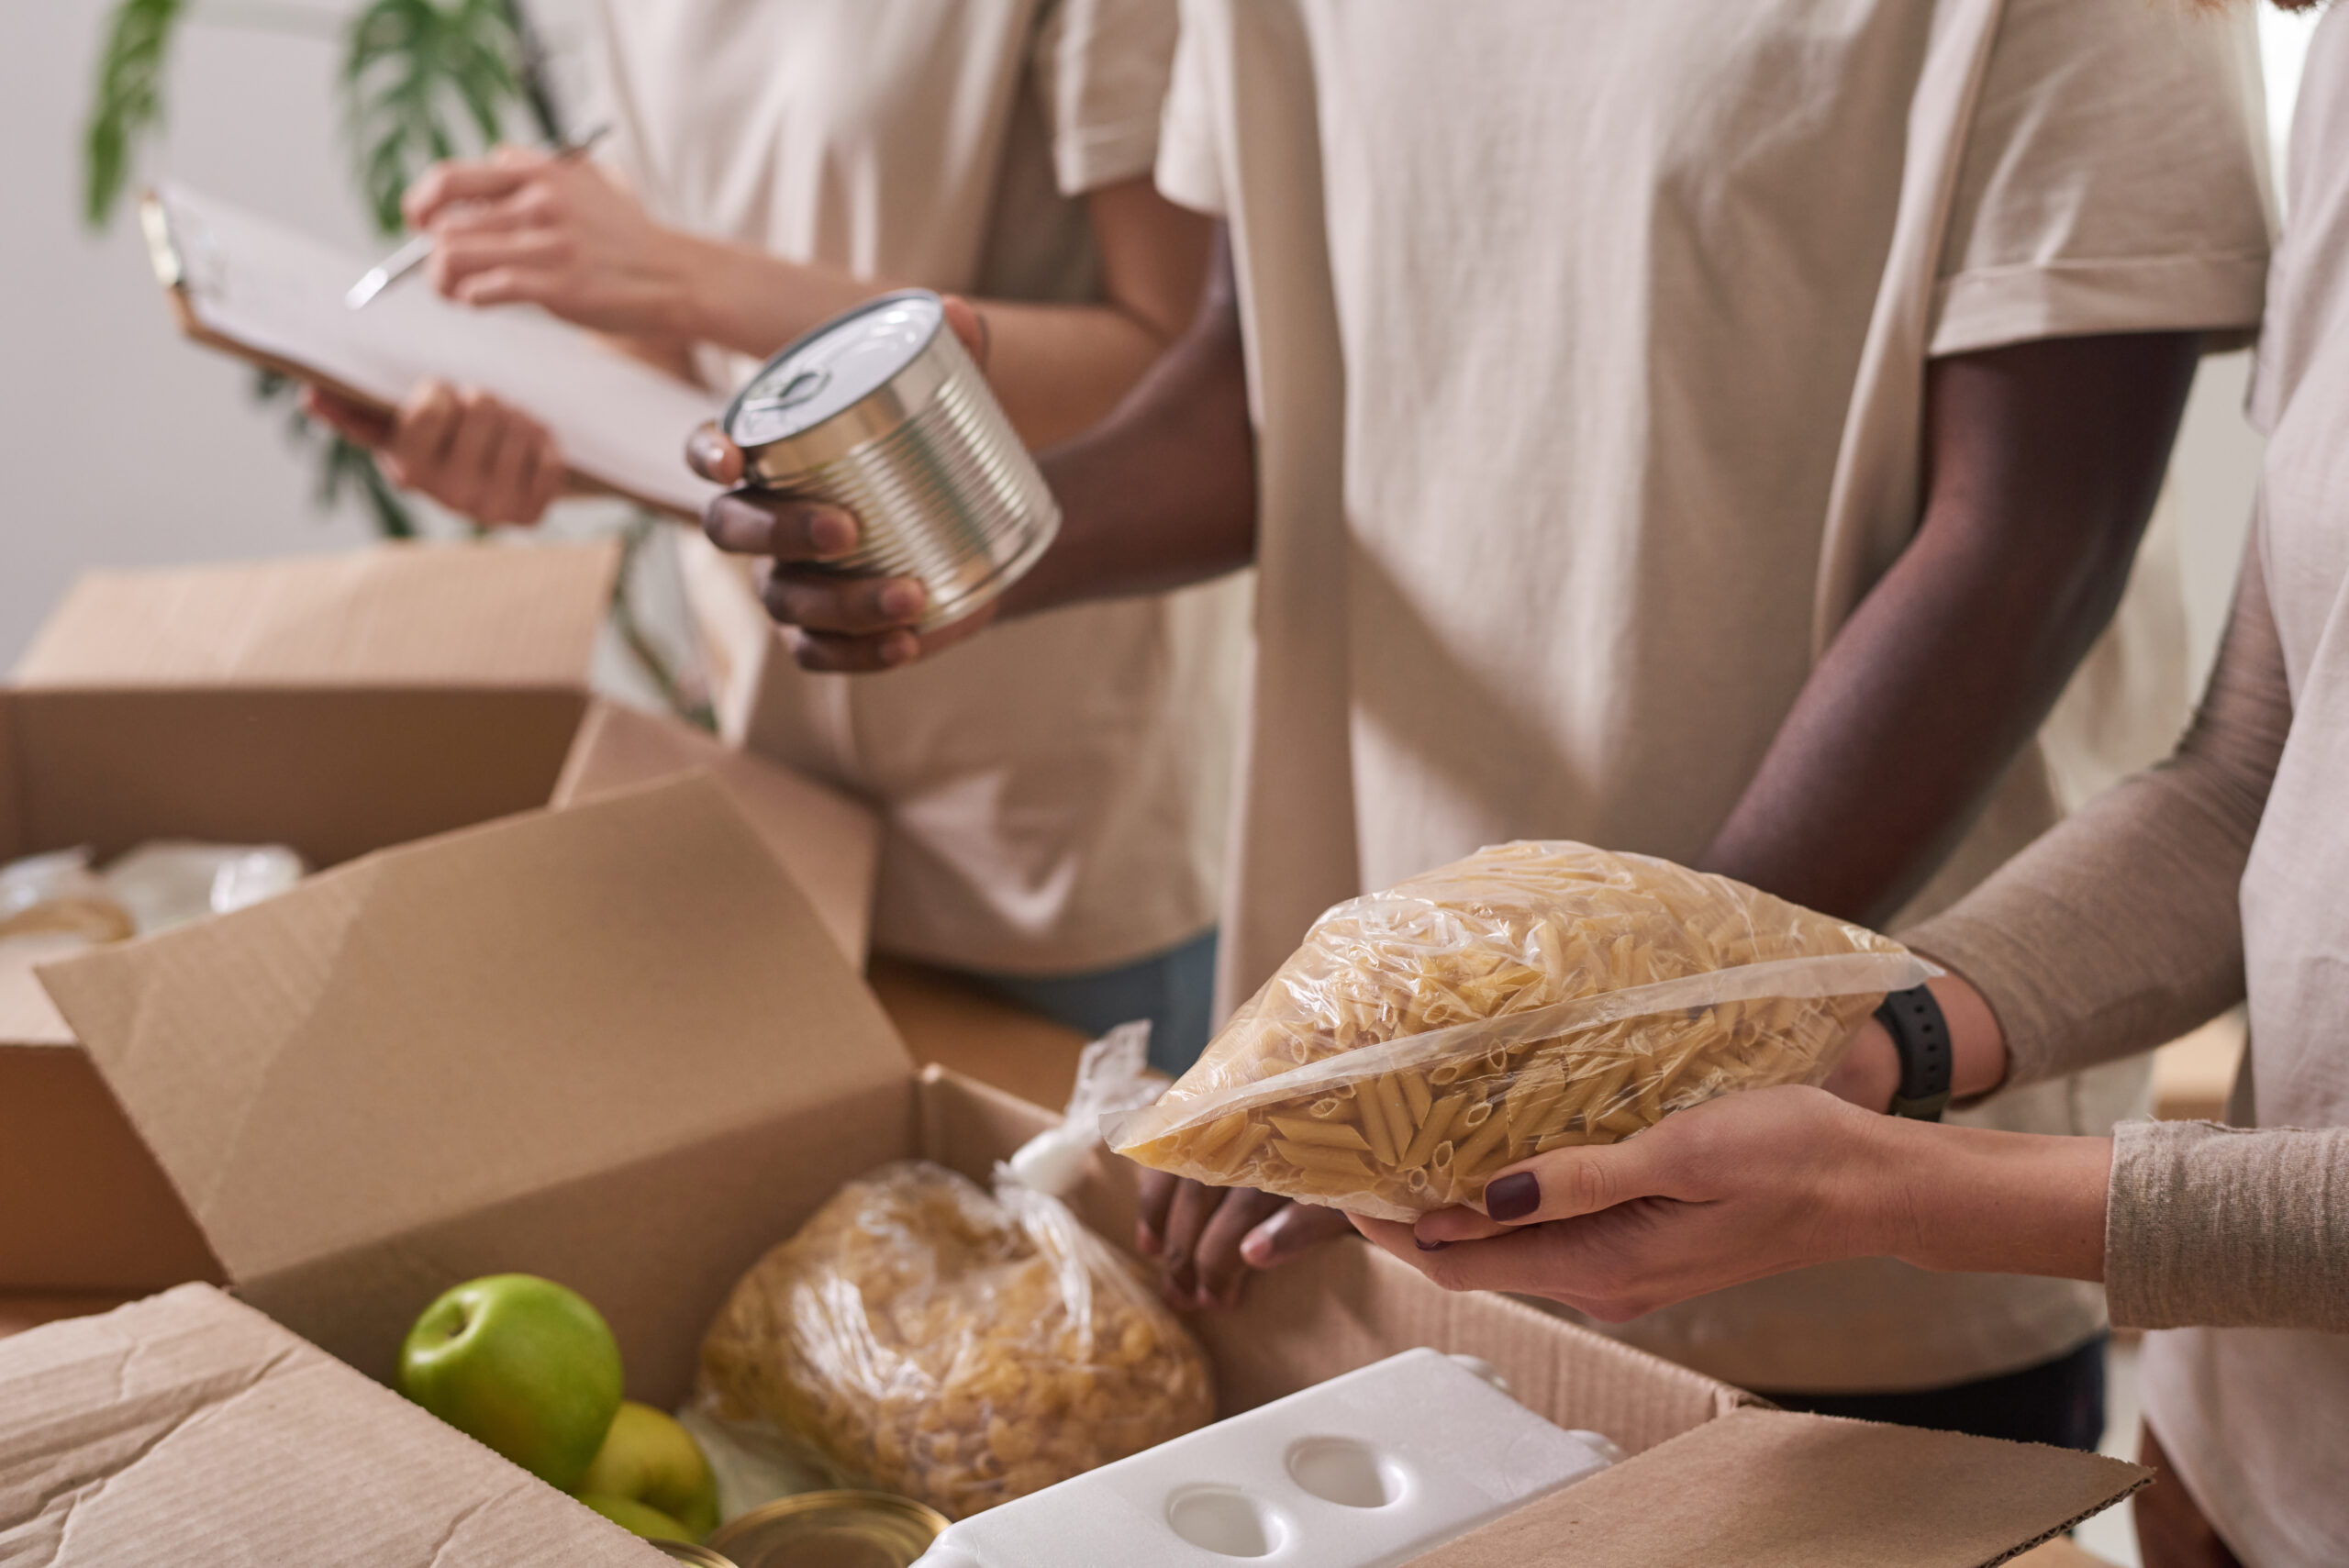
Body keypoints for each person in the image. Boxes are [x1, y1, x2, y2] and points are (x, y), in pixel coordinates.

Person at [691, 0, 2275, 1447]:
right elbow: (1265, 389)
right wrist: (961, 554)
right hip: (1403, 1142)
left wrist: (1550, 1053)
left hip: (1845, 1161)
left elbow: (2024, 543)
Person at [306, 0, 1243, 1075]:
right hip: (779, 786)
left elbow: (1182, 385)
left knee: (1100, 1232)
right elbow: (689, 382)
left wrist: (677, 273)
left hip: (1059, 825)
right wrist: (537, 440)